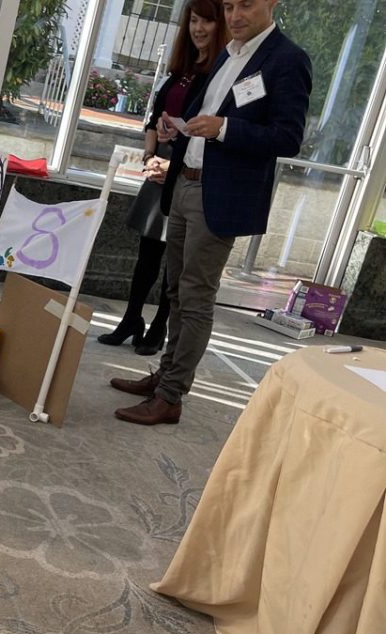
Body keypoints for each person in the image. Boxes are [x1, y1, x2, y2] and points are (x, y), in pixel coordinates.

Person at [111, 0, 312, 426]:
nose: (235, 15)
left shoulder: (286, 59)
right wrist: (175, 127)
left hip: (219, 195)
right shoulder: (227, 54)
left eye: (246, 5)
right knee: (175, 291)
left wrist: (225, 128)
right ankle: (165, 377)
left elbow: (288, 137)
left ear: (272, 3)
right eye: (229, 6)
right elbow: (201, 113)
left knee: (196, 296)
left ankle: (171, 396)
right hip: (184, 181)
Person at [97, 0, 227, 356]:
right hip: (160, 168)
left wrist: (173, 166)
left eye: (207, 22)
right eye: (194, 21)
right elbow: (155, 117)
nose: (198, 28)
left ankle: (159, 327)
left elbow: (209, 134)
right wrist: (150, 157)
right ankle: (131, 319)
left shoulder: (219, 74)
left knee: (175, 260)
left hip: (188, 172)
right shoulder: (181, 69)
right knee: (147, 254)